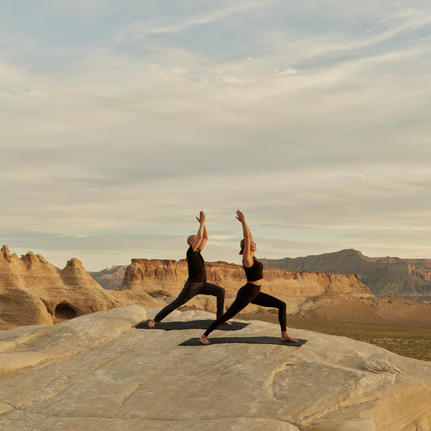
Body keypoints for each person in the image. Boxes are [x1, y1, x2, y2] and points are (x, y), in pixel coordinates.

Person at [199, 210, 298, 345]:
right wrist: (243, 222)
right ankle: (204, 336)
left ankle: (284, 334)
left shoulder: (254, 257)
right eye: (252, 243)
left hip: (255, 292)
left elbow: (249, 237)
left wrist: (246, 224)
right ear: (246, 246)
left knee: (281, 305)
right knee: (227, 315)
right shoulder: (247, 259)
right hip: (247, 293)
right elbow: (247, 238)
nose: (254, 243)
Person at [149, 211, 230, 327]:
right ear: (192, 242)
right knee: (176, 304)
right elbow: (201, 236)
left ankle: (220, 318)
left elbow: (205, 237)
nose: (199, 239)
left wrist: (204, 224)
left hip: (202, 284)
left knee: (220, 291)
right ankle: (155, 320)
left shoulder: (197, 251)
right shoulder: (191, 252)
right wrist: (201, 223)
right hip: (192, 287)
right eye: (197, 239)